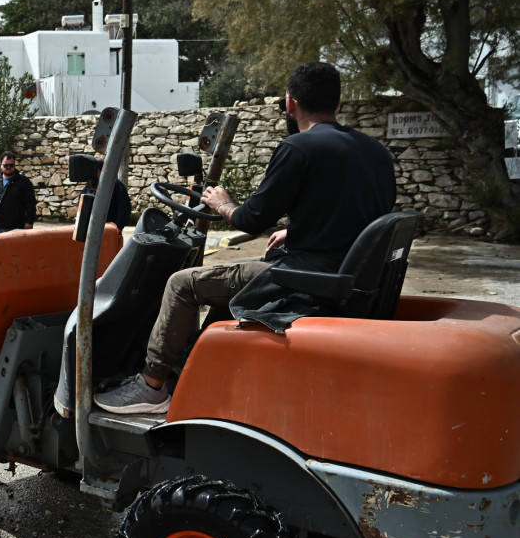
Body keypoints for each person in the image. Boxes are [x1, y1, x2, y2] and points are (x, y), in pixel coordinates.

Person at [93, 61, 396, 415]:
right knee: (220, 285)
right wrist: (296, 230)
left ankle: (151, 387)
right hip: (342, 274)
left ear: (291, 103)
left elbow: (252, 219)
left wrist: (223, 204)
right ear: (338, 103)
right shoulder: (376, 153)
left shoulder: (299, 148)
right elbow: (361, 215)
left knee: (181, 284)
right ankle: (201, 372)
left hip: (305, 278)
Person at [78, 156, 131, 227]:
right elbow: (82, 206)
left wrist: (117, 227)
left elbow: (124, 209)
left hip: (109, 229)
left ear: (99, 171)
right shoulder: (89, 186)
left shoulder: (116, 185)